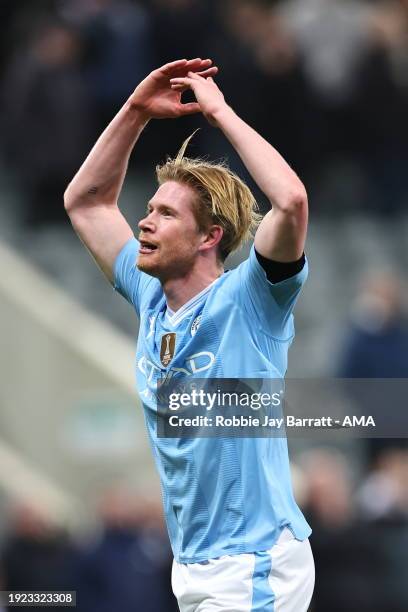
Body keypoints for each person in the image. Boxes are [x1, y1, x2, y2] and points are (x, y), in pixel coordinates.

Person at [64, 58, 314, 612]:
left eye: (166, 215)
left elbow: (291, 201)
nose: (144, 222)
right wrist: (134, 111)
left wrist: (220, 112)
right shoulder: (150, 294)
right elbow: (85, 202)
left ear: (210, 237)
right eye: (148, 210)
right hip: (193, 564)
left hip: (254, 562)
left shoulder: (252, 299)